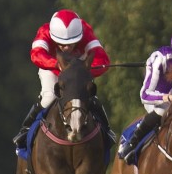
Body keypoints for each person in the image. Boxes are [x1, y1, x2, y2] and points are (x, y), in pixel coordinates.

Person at [12, 9, 113, 152]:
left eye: (72, 43)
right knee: (49, 97)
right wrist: (56, 64)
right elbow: (36, 54)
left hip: (78, 71)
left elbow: (103, 59)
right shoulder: (45, 31)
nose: (66, 48)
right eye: (61, 43)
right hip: (52, 69)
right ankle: (25, 129)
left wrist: (83, 70)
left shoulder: (86, 31)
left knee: (90, 97)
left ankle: (107, 131)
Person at [116, 28, 172, 162]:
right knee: (164, 109)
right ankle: (132, 143)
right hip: (157, 99)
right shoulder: (160, 59)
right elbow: (144, 94)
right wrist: (168, 97)